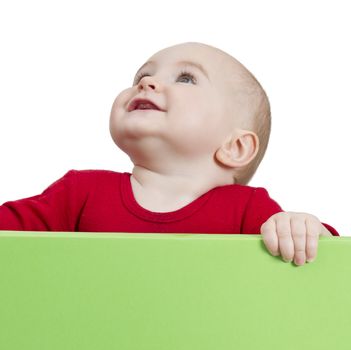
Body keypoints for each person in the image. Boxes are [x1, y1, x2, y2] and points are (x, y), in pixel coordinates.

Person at [0, 42, 339, 266]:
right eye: (143, 75)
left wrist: (302, 228)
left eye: (186, 78)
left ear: (236, 147)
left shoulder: (250, 213)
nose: (147, 83)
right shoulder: (78, 193)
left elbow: (325, 264)